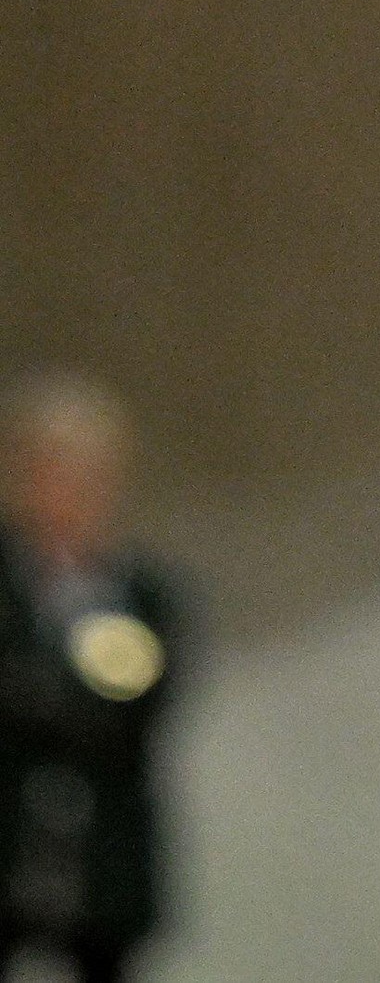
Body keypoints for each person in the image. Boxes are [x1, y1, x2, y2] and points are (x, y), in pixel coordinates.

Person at [0, 378, 187, 983]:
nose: (71, 494)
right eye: (53, 472)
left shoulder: (142, 593)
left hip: (104, 861)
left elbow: (139, 706)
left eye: (88, 476)